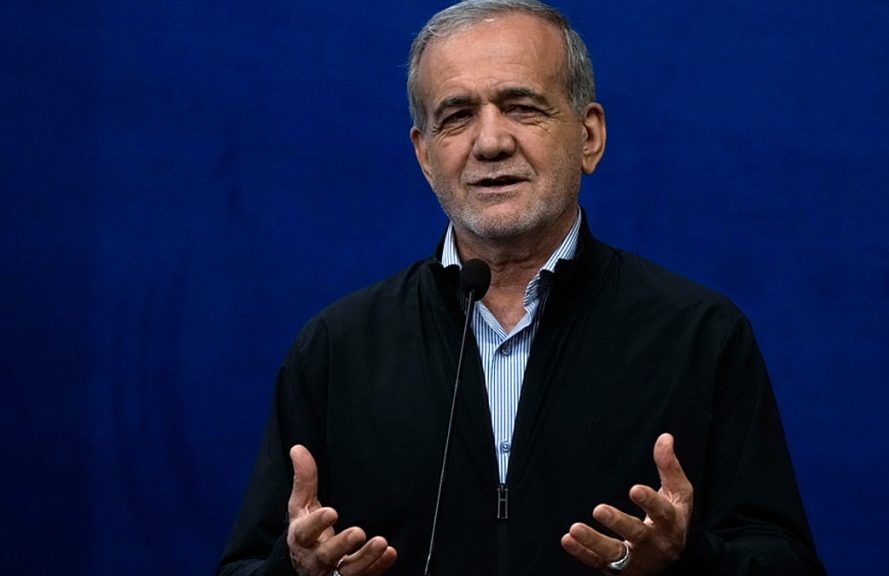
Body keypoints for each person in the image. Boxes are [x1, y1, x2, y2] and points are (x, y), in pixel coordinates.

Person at [218, 1, 826, 575]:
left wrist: (686, 560)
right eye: (457, 116)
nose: (490, 142)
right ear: (425, 156)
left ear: (589, 136)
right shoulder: (336, 349)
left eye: (522, 107)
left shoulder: (699, 335)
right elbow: (245, 565)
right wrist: (295, 569)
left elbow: (786, 561)